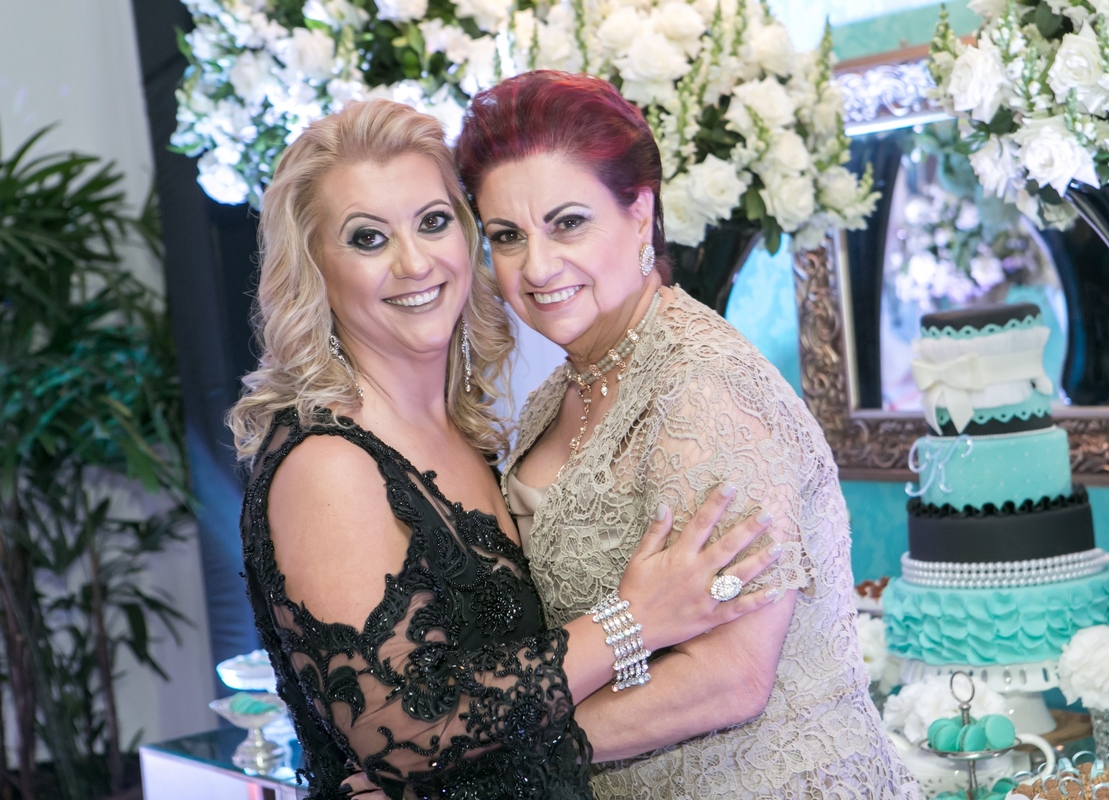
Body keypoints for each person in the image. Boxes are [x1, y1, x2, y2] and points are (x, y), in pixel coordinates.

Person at [229, 99, 783, 800]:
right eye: (368, 238)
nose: (414, 262)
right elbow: (406, 734)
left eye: (434, 222)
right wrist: (631, 621)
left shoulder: (469, 431)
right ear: (314, 267)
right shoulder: (328, 463)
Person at [455, 71, 918, 798]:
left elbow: (732, 677)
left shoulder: (700, 386)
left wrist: (485, 756)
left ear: (640, 214)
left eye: (568, 223)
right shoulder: (563, 390)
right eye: (507, 237)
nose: (536, 267)